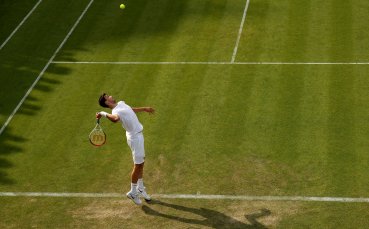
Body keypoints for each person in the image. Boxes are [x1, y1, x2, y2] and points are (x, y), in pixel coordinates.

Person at [96, 93, 155, 205]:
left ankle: (140, 188)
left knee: (141, 163)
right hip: (135, 138)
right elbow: (115, 119)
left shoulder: (121, 103)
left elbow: (130, 110)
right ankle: (133, 192)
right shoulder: (115, 112)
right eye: (108, 96)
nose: (111, 96)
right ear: (107, 102)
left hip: (138, 136)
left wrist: (144, 109)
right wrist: (103, 113)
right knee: (137, 165)